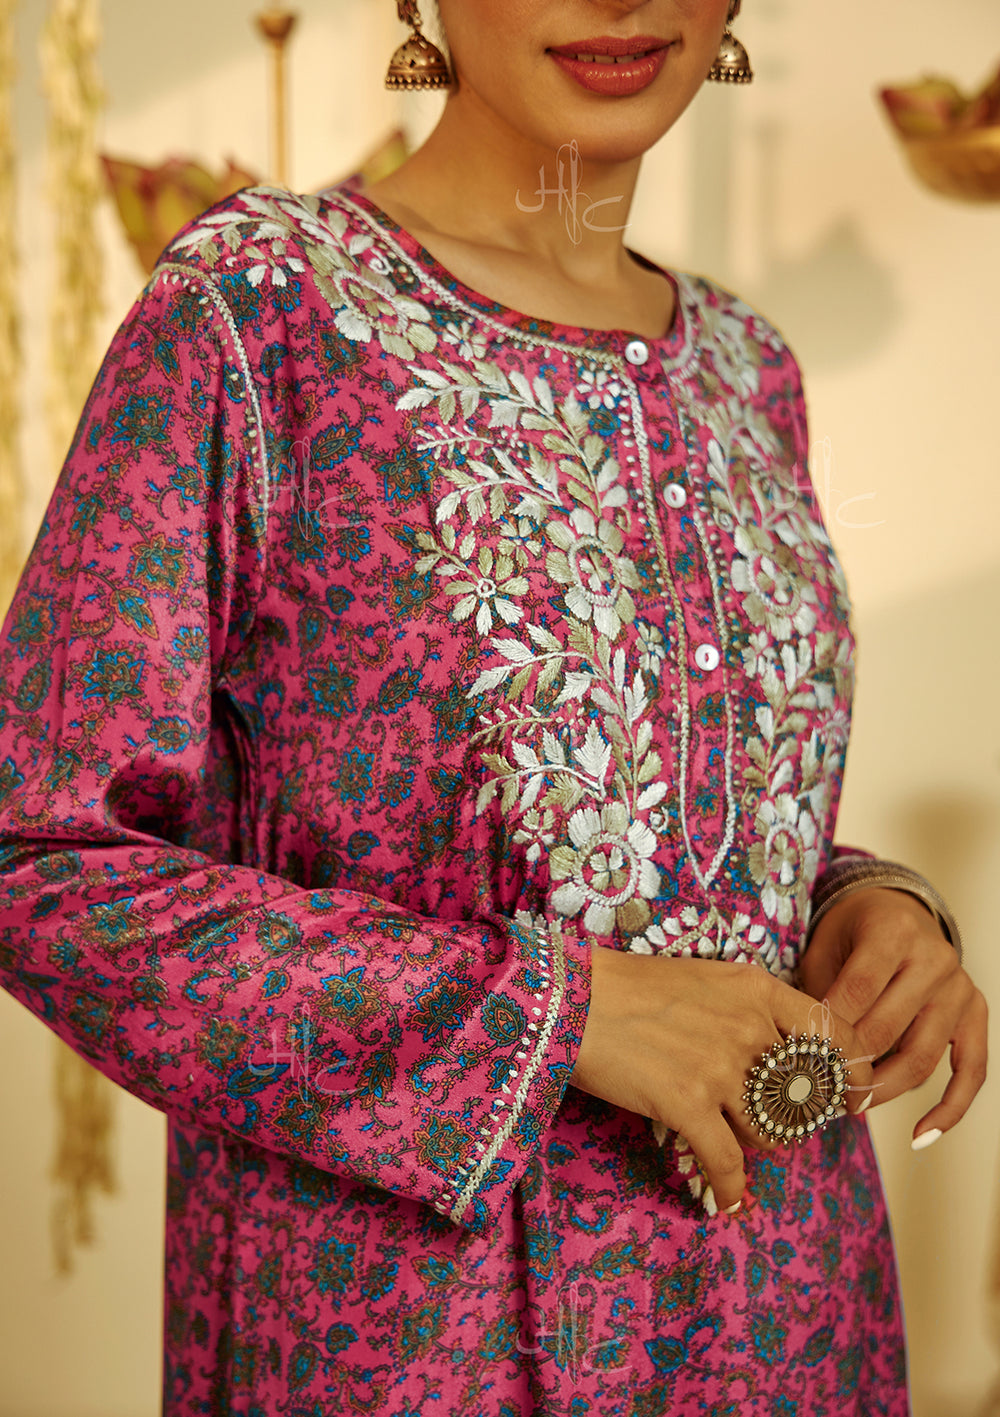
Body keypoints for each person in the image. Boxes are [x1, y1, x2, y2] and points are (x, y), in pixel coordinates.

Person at [0, 0, 987, 1412]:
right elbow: (41, 851)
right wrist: (554, 1015)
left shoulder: (748, 367)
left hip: (785, 1317)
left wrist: (857, 906)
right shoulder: (263, 313)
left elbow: (663, 818)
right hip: (422, 1338)